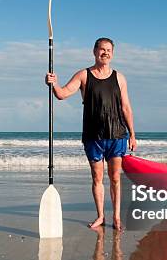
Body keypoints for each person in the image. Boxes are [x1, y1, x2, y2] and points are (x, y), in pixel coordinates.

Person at [45, 37, 137, 230]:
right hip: (93, 136)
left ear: (113, 53)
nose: (105, 53)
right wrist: (53, 83)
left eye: (109, 50)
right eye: (102, 49)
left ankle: (117, 217)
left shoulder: (119, 77)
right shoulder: (84, 75)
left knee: (115, 178)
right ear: (94, 51)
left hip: (117, 135)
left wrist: (132, 134)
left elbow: (126, 107)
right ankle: (101, 216)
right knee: (97, 178)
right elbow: (62, 94)